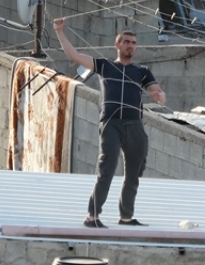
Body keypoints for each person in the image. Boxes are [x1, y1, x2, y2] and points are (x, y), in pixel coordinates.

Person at [54, 18, 166, 227]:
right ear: (117, 45)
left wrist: (159, 96)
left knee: (134, 173)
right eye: (126, 42)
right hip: (111, 124)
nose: (130, 46)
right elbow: (74, 55)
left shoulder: (142, 71)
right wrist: (60, 32)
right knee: (106, 169)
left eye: (133, 43)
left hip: (134, 124)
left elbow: (157, 92)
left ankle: (126, 217)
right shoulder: (106, 66)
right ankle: (92, 217)